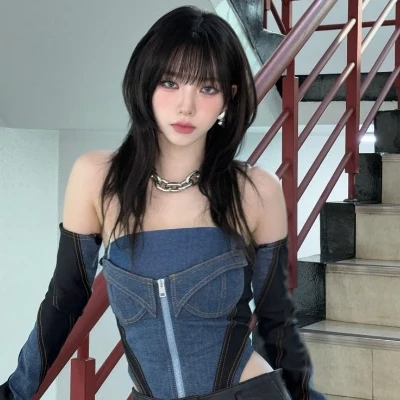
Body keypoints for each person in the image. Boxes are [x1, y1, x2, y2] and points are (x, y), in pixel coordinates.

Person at [0, 5, 326, 400]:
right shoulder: (97, 179)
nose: (186, 105)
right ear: (146, 83)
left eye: (207, 88)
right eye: (170, 82)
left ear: (228, 97)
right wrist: (14, 391)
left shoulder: (256, 190)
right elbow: (64, 300)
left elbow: (277, 323)